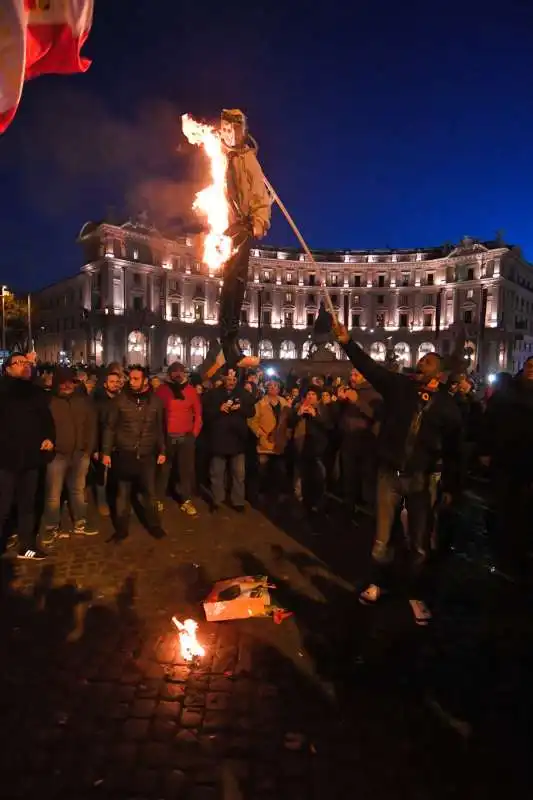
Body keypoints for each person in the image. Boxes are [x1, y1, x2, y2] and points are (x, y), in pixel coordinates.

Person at [334, 322, 462, 625]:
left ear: (439, 375)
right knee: (382, 538)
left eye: (427, 362)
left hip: (422, 478)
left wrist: (451, 487)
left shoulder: (448, 407)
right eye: (419, 361)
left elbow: (456, 451)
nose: (420, 364)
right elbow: (371, 368)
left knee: (419, 543)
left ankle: (416, 595)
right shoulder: (400, 388)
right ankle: (379, 583)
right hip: (389, 473)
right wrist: (348, 342)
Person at [0, 353, 55, 560]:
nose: (25, 366)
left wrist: (49, 437)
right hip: (6, 460)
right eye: (18, 363)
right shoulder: (4, 390)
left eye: (27, 363)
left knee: (27, 505)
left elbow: (46, 419)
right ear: (7, 369)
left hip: (31, 459)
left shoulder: (36, 392)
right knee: (3, 506)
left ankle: (27, 546)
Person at [102, 367, 166, 540]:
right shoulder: (120, 400)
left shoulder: (156, 402)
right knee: (123, 494)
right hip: (125, 453)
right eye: (130, 378)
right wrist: (106, 452)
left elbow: (159, 428)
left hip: (147, 455)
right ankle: (121, 529)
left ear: (145, 380)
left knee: (150, 494)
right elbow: (110, 427)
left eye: (136, 378)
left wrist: (162, 450)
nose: (132, 381)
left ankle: (154, 525)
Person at [42, 367, 98, 542]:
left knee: (78, 491)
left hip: (80, 454)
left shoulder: (83, 401)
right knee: (53, 494)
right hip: (56, 455)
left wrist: (88, 450)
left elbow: (92, 427)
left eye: (70, 381)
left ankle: (80, 522)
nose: (67, 385)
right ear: (56, 383)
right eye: (63, 382)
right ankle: (51, 527)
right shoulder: (49, 402)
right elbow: (41, 427)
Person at [203, 368, 255, 511]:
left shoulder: (243, 394)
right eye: (229, 379)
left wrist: (241, 408)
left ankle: (238, 501)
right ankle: (217, 500)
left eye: (234, 379)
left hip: (238, 439)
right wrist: (218, 409)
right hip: (218, 438)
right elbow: (205, 414)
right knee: (217, 473)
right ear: (223, 379)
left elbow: (252, 412)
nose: (231, 382)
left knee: (238, 474)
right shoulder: (212, 394)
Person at [156, 362, 202, 516]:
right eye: (174, 372)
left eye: (180, 372)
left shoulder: (190, 391)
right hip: (167, 437)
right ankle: (159, 499)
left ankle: (186, 500)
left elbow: (198, 415)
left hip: (185, 437)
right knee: (163, 470)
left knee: (185, 471)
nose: (177, 374)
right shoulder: (161, 391)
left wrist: (193, 434)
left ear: (184, 374)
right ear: (169, 374)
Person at [92, 370, 121, 516]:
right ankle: (102, 502)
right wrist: (95, 449)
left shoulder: (122, 400)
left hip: (119, 445)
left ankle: (117, 501)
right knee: (102, 476)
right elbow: (94, 427)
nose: (115, 384)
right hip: (102, 444)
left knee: (117, 476)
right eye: (111, 382)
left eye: (117, 382)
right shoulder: (98, 403)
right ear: (105, 384)